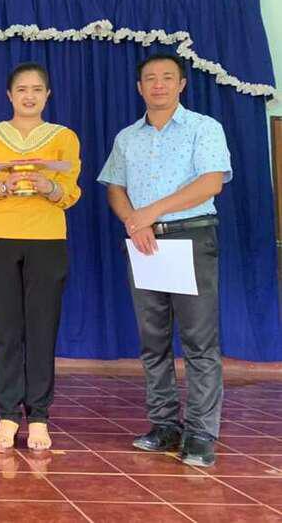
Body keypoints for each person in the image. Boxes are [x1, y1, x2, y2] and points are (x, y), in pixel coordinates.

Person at [98, 53, 231, 468]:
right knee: (153, 340)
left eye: (167, 77)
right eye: (150, 78)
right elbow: (115, 187)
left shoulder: (204, 128)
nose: (159, 84)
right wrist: (134, 222)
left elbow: (211, 182)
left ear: (181, 84)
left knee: (199, 341)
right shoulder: (127, 137)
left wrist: (150, 212)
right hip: (143, 242)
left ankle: (201, 434)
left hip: (191, 236)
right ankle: (164, 425)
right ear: (139, 87)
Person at [0, 62, 81, 451]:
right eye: (21, 90)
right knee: (6, 331)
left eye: (36, 90)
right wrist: (5, 184)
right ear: (9, 95)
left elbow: (70, 191)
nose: (29, 96)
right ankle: (7, 414)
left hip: (46, 239)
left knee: (42, 329)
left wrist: (49, 187)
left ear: (47, 95)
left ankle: (39, 417)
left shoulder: (64, 137)